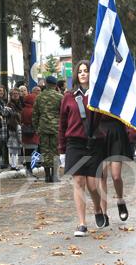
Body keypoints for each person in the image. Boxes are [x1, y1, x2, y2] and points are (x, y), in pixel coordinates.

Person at [58, 60, 105, 236]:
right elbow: (62, 125)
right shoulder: (68, 97)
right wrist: (61, 150)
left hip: (94, 143)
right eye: (80, 71)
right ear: (76, 75)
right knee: (79, 182)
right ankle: (82, 223)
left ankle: (98, 209)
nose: (83, 74)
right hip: (74, 144)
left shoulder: (99, 96)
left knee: (93, 185)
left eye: (86, 71)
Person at [32, 75, 63, 182]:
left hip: (43, 128)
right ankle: (55, 175)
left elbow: (35, 115)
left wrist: (37, 127)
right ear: (55, 85)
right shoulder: (60, 97)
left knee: (45, 151)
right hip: (56, 128)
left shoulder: (39, 97)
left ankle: (47, 175)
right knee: (55, 151)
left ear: (45, 83)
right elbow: (63, 114)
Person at [21, 93, 39, 177]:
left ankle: (28, 169)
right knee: (33, 153)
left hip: (25, 133)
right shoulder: (33, 110)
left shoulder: (23, 109)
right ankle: (30, 170)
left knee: (27, 153)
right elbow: (35, 121)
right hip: (32, 133)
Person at [6, 88, 23, 170]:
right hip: (12, 126)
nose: (16, 95)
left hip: (20, 125)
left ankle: (16, 163)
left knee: (17, 147)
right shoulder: (9, 105)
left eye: (17, 93)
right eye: (14, 93)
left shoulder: (21, 103)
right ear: (11, 95)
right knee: (13, 147)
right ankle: (13, 164)